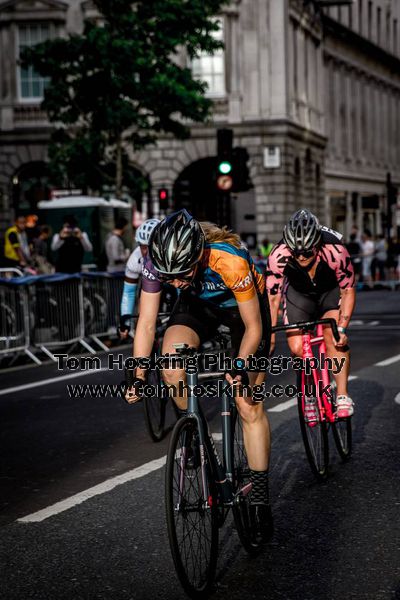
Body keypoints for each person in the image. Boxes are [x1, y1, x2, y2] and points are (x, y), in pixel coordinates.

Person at [125, 209, 273, 540]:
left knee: (248, 403)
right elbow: (147, 324)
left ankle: (261, 501)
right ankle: (192, 426)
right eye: (169, 277)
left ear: (198, 255)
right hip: (197, 308)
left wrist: (239, 366)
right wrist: (137, 374)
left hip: (243, 313)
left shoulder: (228, 259)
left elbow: (253, 327)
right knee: (170, 362)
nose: (174, 282)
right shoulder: (156, 265)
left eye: (182, 274)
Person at [267, 209, 356, 421]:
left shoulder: (335, 249)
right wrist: (269, 337)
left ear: (317, 245)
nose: (301, 257)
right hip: (300, 295)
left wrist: (342, 329)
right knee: (297, 348)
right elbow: (272, 298)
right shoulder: (278, 255)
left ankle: (342, 394)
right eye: (295, 252)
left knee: (333, 337)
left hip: (329, 292)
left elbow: (348, 290)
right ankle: (309, 393)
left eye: (307, 252)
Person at [118, 218, 160, 339]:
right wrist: (125, 321)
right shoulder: (134, 260)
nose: (148, 252)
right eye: (143, 247)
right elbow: (129, 292)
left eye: (151, 247)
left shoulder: (172, 254)